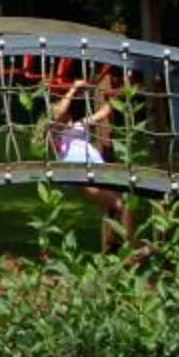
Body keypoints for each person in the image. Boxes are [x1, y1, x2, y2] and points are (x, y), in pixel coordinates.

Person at [48, 76, 129, 248]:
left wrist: (121, 93)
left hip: (97, 170)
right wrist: (73, 88)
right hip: (81, 176)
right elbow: (59, 112)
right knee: (120, 204)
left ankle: (117, 242)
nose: (61, 114)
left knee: (121, 202)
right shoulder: (55, 134)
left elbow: (103, 113)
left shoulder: (78, 126)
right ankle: (131, 244)